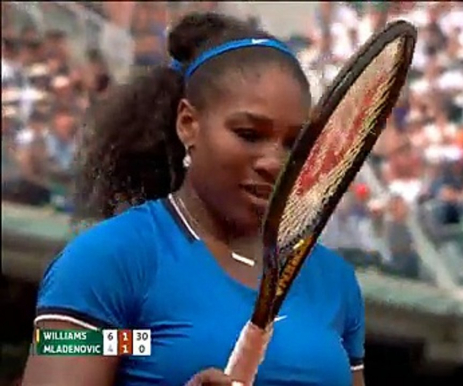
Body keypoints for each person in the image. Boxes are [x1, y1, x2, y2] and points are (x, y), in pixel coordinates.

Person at [22, 13, 366, 386]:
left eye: (293, 144)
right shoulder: (106, 261)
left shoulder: (336, 283)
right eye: (248, 134)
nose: (274, 163)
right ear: (188, 123)